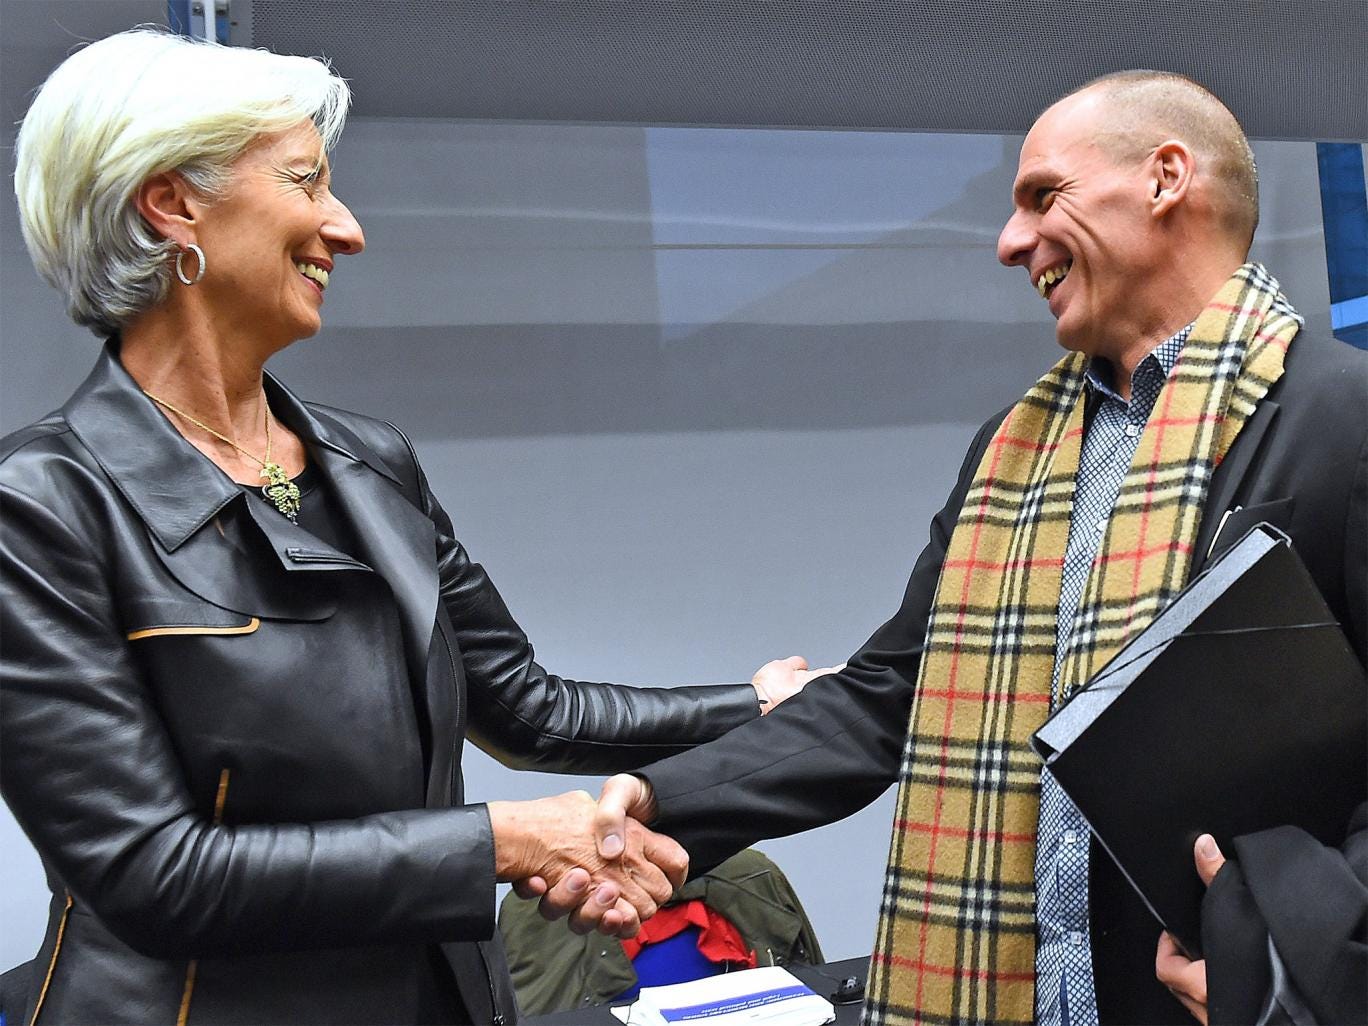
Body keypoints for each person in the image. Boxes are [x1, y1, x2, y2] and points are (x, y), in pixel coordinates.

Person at [0, 28, 829, 1025]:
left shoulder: (368, 462)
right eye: (306, 182)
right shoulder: (38, 506)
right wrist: (506, 843)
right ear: (175, 205)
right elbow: (153, 873)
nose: (344, 228)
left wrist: (763, 703)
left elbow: (528, 707)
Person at [568, 72, 1368, 1025]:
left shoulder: (1342, 417)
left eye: (1042, 197)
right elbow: (885, 697)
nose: (1010, 242)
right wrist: (663, 803)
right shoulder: (1010, 451)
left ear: (1165, 179)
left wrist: (1294, 972)